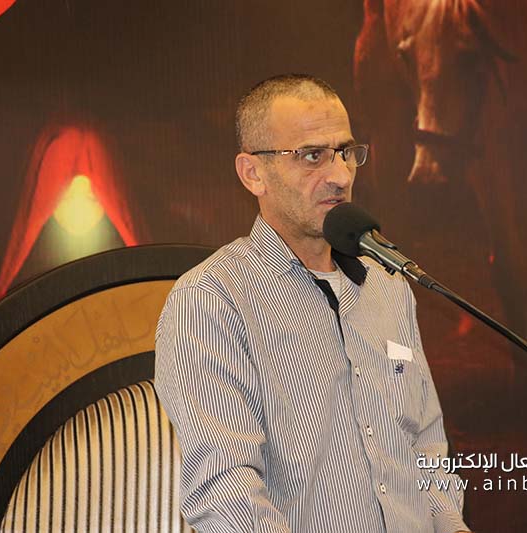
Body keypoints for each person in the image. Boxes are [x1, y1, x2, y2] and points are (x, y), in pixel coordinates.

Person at [155, 74, 470, 533]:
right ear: (253, 173)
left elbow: (425, 447)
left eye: (346, 152)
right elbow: (225, 492)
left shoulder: (388, 285)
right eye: (312, 155)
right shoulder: (211, 301)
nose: (340, 176)